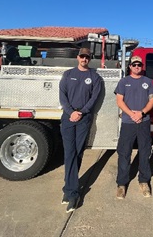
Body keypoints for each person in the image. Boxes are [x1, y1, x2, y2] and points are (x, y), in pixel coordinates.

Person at [59, 47, 102, 213]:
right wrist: (71, 112)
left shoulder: (95, 78)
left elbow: (94, 99)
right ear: (78, 58)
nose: (84, 59)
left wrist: (81, 112)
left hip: (84, 119)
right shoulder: (68, 74)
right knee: (69, 153)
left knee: (77, 153)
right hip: (69, 118)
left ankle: (68, 189)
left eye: (87, 57)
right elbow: (62, 96)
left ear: (90, 59)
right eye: (82, 56)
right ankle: (73, 192)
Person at [114, 56, 153, 199]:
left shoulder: (148, 82)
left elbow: (152, 100)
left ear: (141, 66)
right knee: (124, 153)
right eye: (134, 64)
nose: (137, 66)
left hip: (143, 122)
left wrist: (142, 113)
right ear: (130, 66)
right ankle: (121, 184)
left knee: (145, 152)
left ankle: (144, 181)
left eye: (139, 64)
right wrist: (132, 114)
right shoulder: (124, 82)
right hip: (128, 122)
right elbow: (119, 101)